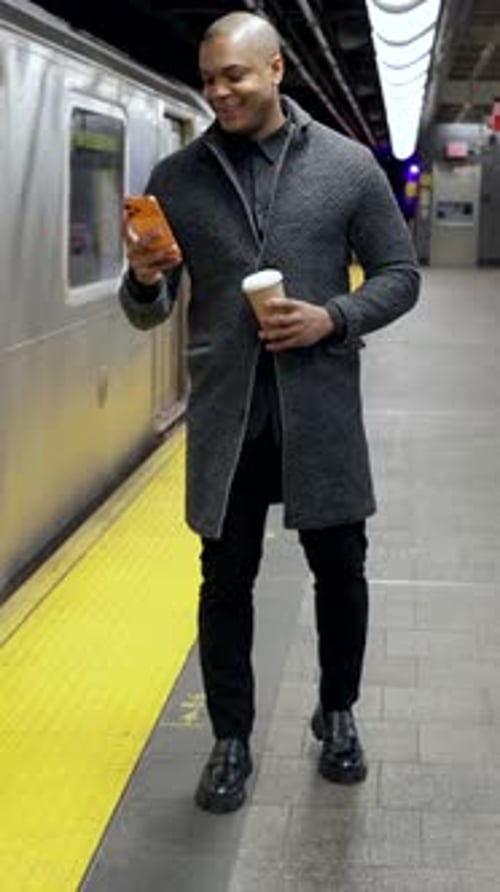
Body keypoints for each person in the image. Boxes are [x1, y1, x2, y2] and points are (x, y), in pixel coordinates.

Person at [119, 10, 420, 815]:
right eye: (210, 77)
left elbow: (400, 273)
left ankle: (339, 712)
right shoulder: (177, 178)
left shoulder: (348, 167)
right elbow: (148, 311)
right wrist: (145, 278)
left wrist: (336, 317)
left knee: (340, 572)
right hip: (229, 415)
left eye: (235, 76)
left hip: (318, 406)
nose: (219, 91)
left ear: (277, 70)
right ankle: (230, 738)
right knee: (225, 580)